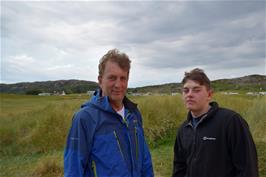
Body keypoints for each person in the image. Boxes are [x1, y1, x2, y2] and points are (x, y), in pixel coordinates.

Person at [64, 49, 154, 177]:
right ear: (100, 80)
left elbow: (145, 160)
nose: (118, 84)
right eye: (112, 78)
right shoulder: (85, 118)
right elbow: (74, 170)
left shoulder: (133, 114)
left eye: (123, 78)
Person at [172, 68, 258, 177]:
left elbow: (247, 168)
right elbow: (179, 167)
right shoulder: (184, 129)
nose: (189, 94)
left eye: (196, 90)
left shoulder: (231, 121)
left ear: (209, 94)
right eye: (186, 91)